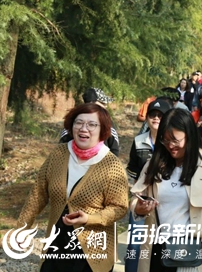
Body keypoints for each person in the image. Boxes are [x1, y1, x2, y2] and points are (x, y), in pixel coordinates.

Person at [18, 103, 129, 272]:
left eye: (92, 124)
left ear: (103, 130)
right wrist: (22, 227)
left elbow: (119, 207)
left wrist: (89, 218)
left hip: (92, 250)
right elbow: (38, 194)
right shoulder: (58, 154)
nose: (84, 128)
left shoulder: (111, 165)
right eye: (79, 122)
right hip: (56, 243)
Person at [130, 108, 202, 272]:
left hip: (190, 250)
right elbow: (136, 198)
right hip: (157, 249)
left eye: (175, 140)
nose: (170, 146)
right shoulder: (154, 164)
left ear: (190, 136)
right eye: (165, 141)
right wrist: (139, 207)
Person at [125, 99, 170, 272]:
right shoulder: (138, 141)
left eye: (160, 116)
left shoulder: (170, 143)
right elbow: (132, 169)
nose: (156, 118)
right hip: (141, 200)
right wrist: (137, 192)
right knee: (134, 246)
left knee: (156, 248)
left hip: (163, 203)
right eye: (153, 115)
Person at [59, 87, 120, 156]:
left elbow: (114, 151)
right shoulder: (73, 121)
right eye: (102, 103)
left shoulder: (107, 123)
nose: (105, 107)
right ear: (92, 103)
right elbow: (61, 149)